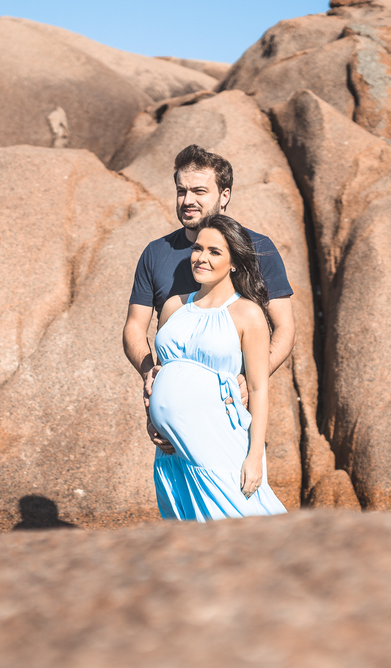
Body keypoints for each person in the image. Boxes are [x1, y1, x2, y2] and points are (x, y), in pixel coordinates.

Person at [122, 145, 295, 456]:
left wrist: (250, 379)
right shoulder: (155, 253)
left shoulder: (258, 249)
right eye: (181, 191)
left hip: (231, 416)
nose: (187, 200)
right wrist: (150, 375)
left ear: (224, 195)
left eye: (199, 191)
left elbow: (285, 328)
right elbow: (135, 327)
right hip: (170, 429)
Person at [145, 213, 287, 519]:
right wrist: (151, 420)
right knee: (186, 532)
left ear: (233, 261)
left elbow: (259, 389)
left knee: (241, 525)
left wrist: (255, 456)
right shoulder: (173, 306)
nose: (201, 258)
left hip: (218, 442)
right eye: (198, 248)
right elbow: (161, 376)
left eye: (214, 252)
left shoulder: (247, 313)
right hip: (171, 452)